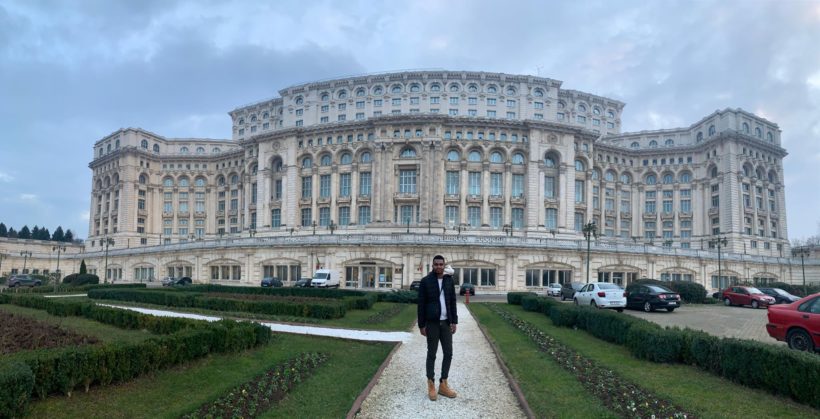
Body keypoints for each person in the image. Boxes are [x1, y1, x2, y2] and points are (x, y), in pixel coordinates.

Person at [417, 255, 458, 401]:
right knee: (432, 354)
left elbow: (452, 301)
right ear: (433, 266)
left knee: (448, 353)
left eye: (441, 264)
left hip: (446, 323)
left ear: (444, 265)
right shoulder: (426, 282)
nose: (439, 267)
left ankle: (443, 384)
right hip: (432, 323)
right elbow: (421, 305)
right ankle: (431, 383)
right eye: (436, 264)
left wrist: (454, 321)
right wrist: (421, 325)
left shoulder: (449, 281)